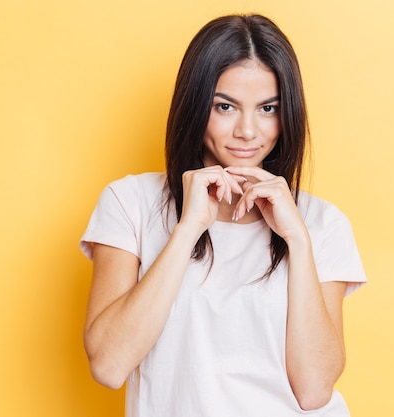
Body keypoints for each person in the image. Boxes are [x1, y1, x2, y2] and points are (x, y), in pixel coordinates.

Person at [80, 13, 366, 416]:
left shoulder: (321, 223)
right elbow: (109, 365)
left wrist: (297, 240)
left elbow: (314, 390)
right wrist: (189, 227)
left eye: (268, 108)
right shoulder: (130, 202)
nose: (248, 131)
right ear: (195, 104)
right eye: (225, 106)